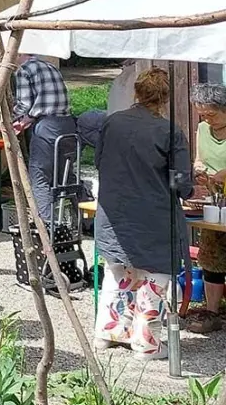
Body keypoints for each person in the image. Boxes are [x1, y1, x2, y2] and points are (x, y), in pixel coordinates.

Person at [94, 69, 191, 357]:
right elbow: (181, 184)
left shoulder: (112, 123)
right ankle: (145, 342)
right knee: (155, 276)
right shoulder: (168, 131)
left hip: (114, 212)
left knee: (117, 271)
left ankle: (109, 332)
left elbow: (99, 161)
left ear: (136, 92)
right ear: (165, 98)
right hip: (152, 213)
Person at [11, 54, 75, 224]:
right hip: (67, 124)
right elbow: (48, 104)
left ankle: (46, 226)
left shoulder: (24, 70)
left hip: (46, 128)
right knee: (65, 176)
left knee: (40, 177)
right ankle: (82, 220)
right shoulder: (50, 67)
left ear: (18, 53)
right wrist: (26, 120)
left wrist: (6, 119)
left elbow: (24, 105)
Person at [189, 83, 226, 334]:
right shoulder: (203, 130)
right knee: (211, 255)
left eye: (212, 114)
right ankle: (212, 312)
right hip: (217, 201)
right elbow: (200, 159)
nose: (207, 119)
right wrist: (200, 171)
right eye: (203, 114)